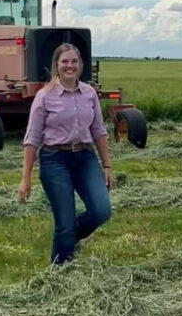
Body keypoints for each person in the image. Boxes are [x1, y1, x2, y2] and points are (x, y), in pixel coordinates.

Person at [19, 43, 113, 264]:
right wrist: (26, 179)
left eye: (74, 61)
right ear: (57, 65)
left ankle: (70, 238)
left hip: (85, 157)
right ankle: (60, 274)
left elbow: (99, 131)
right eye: (65, 62)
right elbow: (32, 139)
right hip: (55, 160)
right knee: (65, 222)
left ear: (80, 65)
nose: (69, 66)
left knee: (102, 210)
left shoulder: (89, 93)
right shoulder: (44, 96)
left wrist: (107, 166)